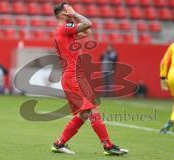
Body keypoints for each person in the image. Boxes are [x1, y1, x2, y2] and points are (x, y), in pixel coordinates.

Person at [51, 2, 128, 156]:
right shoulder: (64, 28)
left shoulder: (66, 30)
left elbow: (87, 31)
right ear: (61, 14)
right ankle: (107, 145)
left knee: (84, 114)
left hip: (74, 76)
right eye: (67, 9)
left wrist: (72, 16)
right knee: (92, 110)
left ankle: (59, 144)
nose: (70, 10)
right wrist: (75, 13)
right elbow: (88, 23)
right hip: (72, 76)